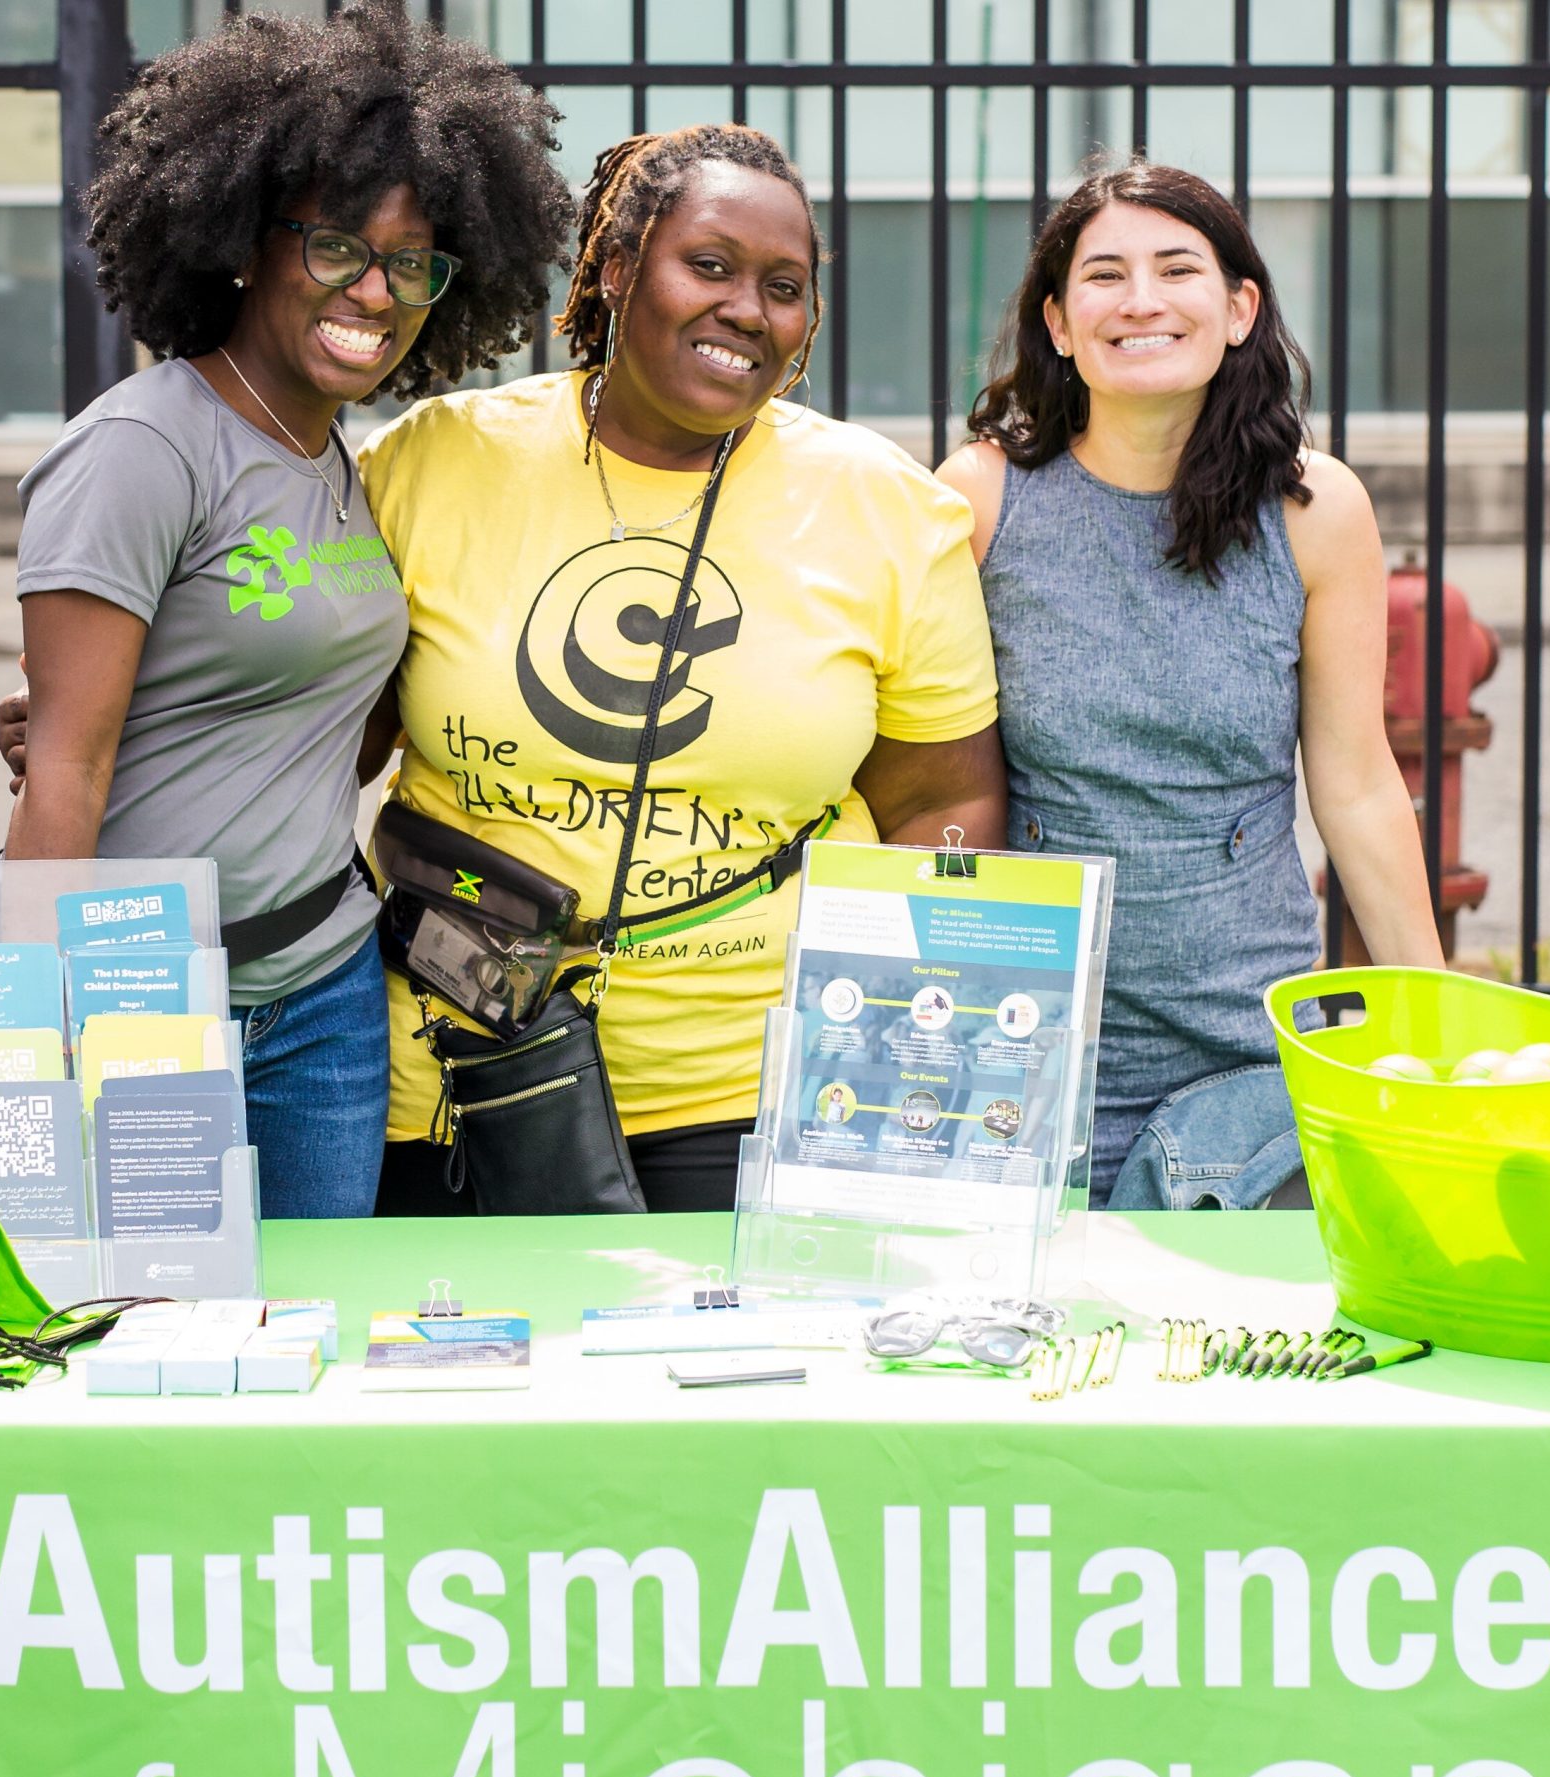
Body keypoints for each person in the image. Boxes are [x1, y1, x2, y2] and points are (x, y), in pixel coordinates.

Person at [359, 121, 1007, 1215]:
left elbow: (944, 799)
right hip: (459, 1067)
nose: (748, 310)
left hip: (762, 1088)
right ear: (614, 270)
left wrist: (904, 1041)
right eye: (707, 266)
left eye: (784, 286)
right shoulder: (433, 461)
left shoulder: (885, 509)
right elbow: (323, 725)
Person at [1, 3, 571, 1218]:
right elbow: (65, 774)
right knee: (135, 1350)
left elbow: (328, 711)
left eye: (411, 263)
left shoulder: (335, 462)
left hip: (323, 995)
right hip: (146, 997)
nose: (374, 289)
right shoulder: (140, 450)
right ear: (247, 243)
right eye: (336, 248)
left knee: (305, 1358)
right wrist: (16, 1052)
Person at [939, 161, 1443, 1210]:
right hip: (1025, 1048)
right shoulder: (980, 500)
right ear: (1060, 323)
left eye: (1177, 268)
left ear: (1239, 308)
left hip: (1245, 1053)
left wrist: (1435, 1028)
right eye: (1104, 276)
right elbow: (923, 782)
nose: (1140, 301)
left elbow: (1353, 786)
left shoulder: (1315, 510)